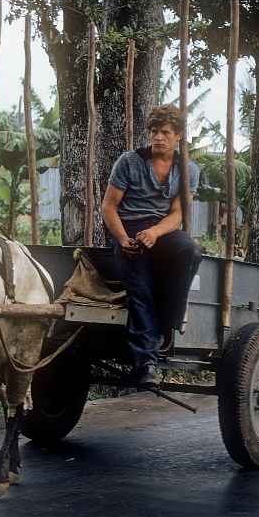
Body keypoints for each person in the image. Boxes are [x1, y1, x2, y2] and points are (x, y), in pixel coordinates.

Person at [101, 104, 203, 388]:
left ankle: (167, 325)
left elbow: (178, 215)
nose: (159, 137)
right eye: (154, 131)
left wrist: (155, 233)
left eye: (166, 132)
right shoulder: (129, 161)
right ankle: (145, 362)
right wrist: (123, 240)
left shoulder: (188, 170)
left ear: (178, 136)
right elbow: (109, 207)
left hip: (162, 230)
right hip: (129, 229)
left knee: (190, 249)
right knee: (140, 288)